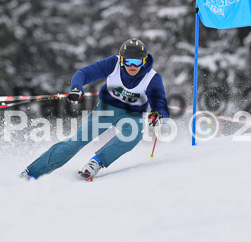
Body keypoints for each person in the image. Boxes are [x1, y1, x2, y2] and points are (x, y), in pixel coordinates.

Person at [21, 38, 169, 181]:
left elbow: (160, 103)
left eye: (137, 62)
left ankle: (96, 162)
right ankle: (31, 172)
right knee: (76, 142)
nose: (132, 66)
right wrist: (76, 88)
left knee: (134, 133)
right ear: (122, 60)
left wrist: (158, 114)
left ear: (144, 61)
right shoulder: (113, 63)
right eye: (127, 61)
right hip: (107, 109)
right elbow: (84, 73)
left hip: (132, 114)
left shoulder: (152, 78)